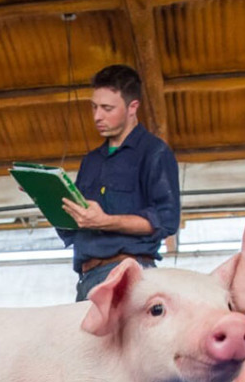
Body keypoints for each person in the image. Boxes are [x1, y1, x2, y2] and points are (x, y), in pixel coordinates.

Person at [59, 64, 181, 301]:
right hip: (86, 278)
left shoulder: (154, 153)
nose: (97, 116)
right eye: (94, 107)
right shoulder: (91, 161)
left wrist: (105, 221)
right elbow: (72, 225)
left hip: (129, 275)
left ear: (132, 107)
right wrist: (43, 195)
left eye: (107, 108)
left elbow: (166, 220)